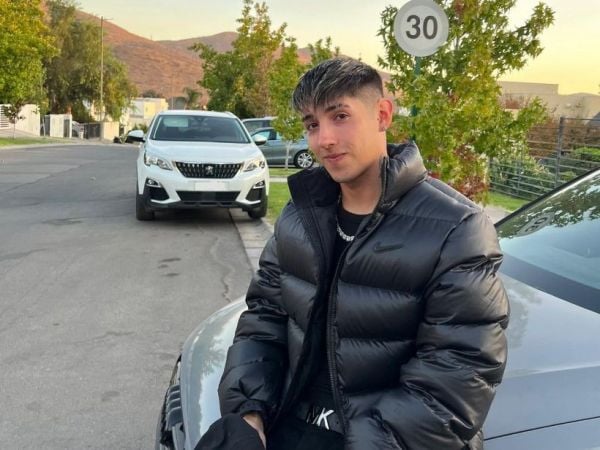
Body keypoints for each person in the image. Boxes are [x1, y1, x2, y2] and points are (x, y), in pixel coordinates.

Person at [212, 58, 509, 450]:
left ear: (382, 115)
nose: (324, 140)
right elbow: (263, 319)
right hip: (285, 423)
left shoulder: (456, 228)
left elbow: (458, 376)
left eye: (340, 116)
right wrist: (249, 413)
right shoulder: (300, 215)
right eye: (312, 124)